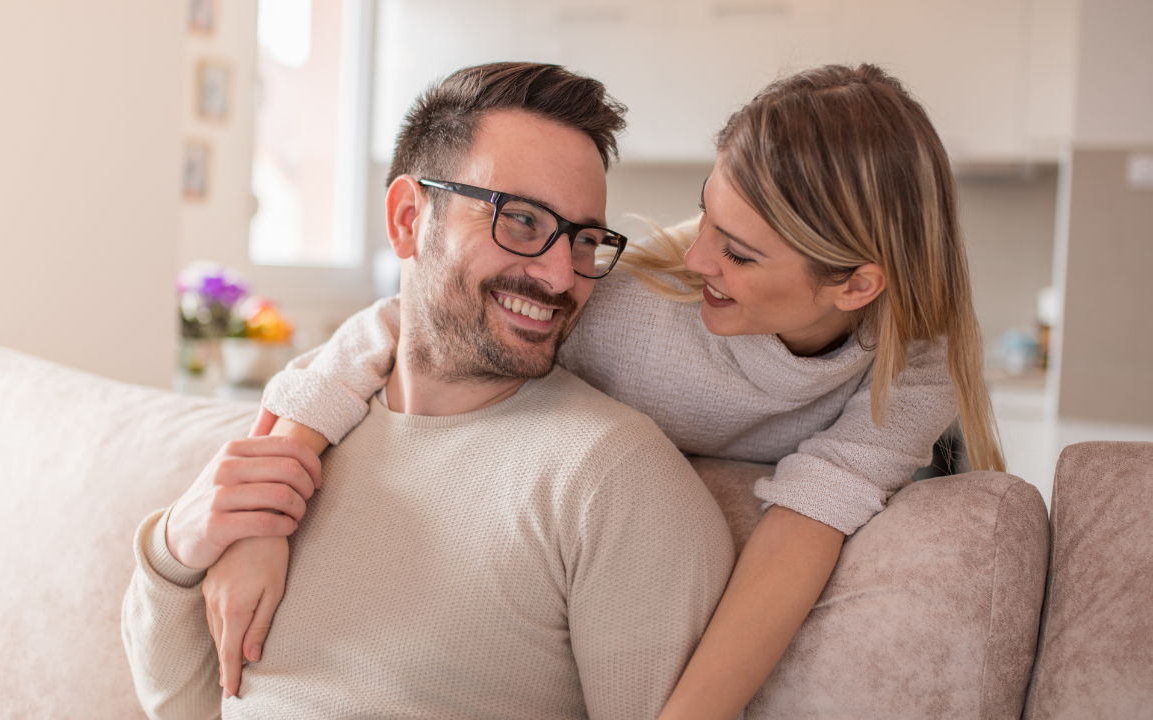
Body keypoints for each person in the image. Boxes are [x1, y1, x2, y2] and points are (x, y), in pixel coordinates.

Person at [206, 63, 1006, 718]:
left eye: (738, 253)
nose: (695, 263)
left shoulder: (914, 371)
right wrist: (262, 510)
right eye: (704, 220)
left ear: (858, 285)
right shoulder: (632, 306)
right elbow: (406, 321)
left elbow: (806, 530)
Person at [121, 62, 734, 719]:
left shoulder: (613, 478)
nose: (562, 276)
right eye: (521, 221)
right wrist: (174, 552)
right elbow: (183, 706)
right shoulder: (312, 420)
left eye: (584, 240)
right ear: (409, 218)